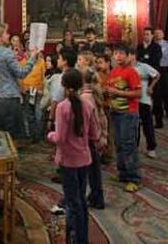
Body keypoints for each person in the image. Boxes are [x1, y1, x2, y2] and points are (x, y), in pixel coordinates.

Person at [47, 68, 99, 244]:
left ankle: (74, 239)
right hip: (84, 159)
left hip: (68, 161)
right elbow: (94, 134)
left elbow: (60, 138)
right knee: (81, 201)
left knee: (71, 202)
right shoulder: (88, 105)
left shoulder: (62, 107)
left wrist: (50, 135)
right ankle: (82, 238)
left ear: (65, 87)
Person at [0, 23, 34, 139]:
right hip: (8, 99)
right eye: (6, 34)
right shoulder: (7, 52)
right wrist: (32, 59)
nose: (8, 36)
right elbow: (21, 73)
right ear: (0, 37)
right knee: (10, 137)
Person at [106, 44, 142, 192]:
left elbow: (138, 94)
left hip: (128, 113)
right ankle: (122, 173)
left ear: (128, 56)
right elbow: (112, 90)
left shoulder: (131, 72)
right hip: (115, 112)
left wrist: (117, 92)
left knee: (128, 145)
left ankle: (134, 178)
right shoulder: (114, 71)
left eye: (121, 53)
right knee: (119, 144)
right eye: (116, 53)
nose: (118, 56)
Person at [80, 67, 107, 210]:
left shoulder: (84, 98)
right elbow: (101, 117)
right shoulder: (93, 94)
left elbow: (90, 120)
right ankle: (97, 197)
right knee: (94, 170)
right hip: (95, 136)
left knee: (85, 171)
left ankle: (93, 197)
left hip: (90, 138)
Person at [130, 48, 160, 158]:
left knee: (147, 124)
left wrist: (150, 87)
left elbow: (157, 75)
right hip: (131, 100)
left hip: (144, 99)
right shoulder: (125, 68)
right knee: (134, 125)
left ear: (133, 55)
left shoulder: (143, 66)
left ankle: (151, 148)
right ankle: (135, 146)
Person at [137, 27, 163, 127]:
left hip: (154, 76)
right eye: (144, 34)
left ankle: (159, 121)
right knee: (143, 99)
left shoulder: (156, 47)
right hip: (142, 77)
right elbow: (138, 59)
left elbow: (155, 61)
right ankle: (144, 119)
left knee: (156, 99)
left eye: (148, 34)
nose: (145, 36)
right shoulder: (139, 46)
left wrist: (145, 62)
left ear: (152, 35)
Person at [20, 50, 45, 142]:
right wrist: (22, 88)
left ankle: (39, 135)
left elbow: (43, 76)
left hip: (37, 91)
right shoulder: (22, 62)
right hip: (27, 91)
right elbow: (21, 77)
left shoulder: (41, 62)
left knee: (38, 113)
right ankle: (31, 135)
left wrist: (42, 88)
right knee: (29, 114)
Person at [154, 28, 168, 119]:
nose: (158, 34)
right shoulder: (153, 45)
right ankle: (157, 112)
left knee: (166, 91)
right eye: (156, 33)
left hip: (165, 69)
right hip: (155, 70)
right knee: (156, 93)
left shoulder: (167, 44)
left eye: (160, 33)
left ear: (163, 34)